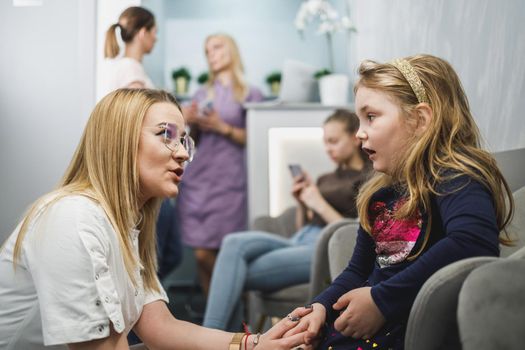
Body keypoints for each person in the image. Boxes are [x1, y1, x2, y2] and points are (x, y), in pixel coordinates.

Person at [0, 88, 313, 350]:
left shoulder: (126, 226)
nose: (183, 153)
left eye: (184, 141)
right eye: (166, 135)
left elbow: (159, 326)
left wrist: (252, 344)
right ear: (118, 140)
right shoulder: (73, 218)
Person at [283, 54, 515, 349]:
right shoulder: (379, 195)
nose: (359, 133)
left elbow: (473, 241)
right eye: (358, 120)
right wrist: (320, 307)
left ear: (420, 120)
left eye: (371, 116)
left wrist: (381, 300)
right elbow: (357, 270)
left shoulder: (453, 175)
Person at [203, 109, 371, 331]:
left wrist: (318, 202)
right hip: (300, 238)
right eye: (325, 142)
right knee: (233, 242)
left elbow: (350, 234)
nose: (327, 148)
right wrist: (302, 203)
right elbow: (305, 224)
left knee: (233, 273)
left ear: (353, 137)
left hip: (324, 248)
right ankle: (219, 340)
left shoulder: (368, 178)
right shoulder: (325, 178)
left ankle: (211, 338)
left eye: (333, 141)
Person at [176, 33, 264, 296]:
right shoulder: (202, 93)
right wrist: (189, 122)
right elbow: (192, 141)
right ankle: (217, 320)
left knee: (225, 252)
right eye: (207, 51)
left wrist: (222, 126)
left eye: (216, 47)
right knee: (201, 254)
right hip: (199, 181)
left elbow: (254, 137)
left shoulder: (251, 93)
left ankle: (228, 313)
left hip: (229, 183)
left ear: (231, 50)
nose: (210, 54)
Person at [100, 6, 157, 97]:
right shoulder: (131, 69)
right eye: (155, 32)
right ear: (143, 33)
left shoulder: (128, 66)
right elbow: (138, 110)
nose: (156, 38)